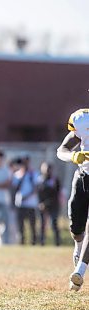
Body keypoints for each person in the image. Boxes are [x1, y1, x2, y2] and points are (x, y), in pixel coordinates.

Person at [56, 108, 89, 291]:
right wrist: (73, 156)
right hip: (84, 176)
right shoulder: (82, 119)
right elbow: (62, 150)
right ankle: (78, 246)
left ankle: (80, 271)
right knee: (76, 227)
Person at [11, 156, 39, 245]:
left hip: (31, 204)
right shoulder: (17, 175)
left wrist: (26, 197)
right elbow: (14, 189)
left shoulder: (33, 174)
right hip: (20, 204)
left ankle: (33, 242)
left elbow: (36, 188)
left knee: (32, 225)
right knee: (20, 226)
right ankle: (21, 242)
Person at [37, 162, 61, 246]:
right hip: (42, 205)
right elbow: (38, 193)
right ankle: (41, 242)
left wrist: (46, 203)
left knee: (54, 224)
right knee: (42, 225)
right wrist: (40, 203)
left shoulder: (55, 180)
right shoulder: (40, 180)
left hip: (53, 205)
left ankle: (57, 242)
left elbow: (56, 194)